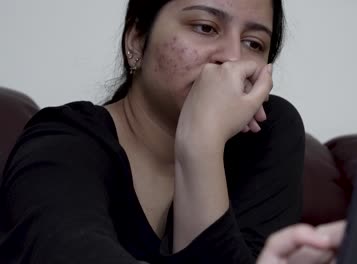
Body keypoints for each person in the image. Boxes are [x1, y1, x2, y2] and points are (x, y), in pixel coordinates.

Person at [0, 0, 309, 263]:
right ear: (136, 41)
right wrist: (201, 139)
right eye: (205, 27)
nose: (232, 58)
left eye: (254, 44)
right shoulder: (63, 143)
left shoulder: (268, 133)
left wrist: (203, 145)